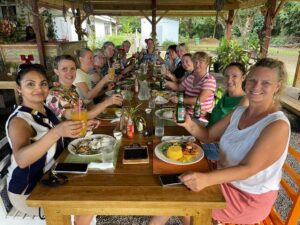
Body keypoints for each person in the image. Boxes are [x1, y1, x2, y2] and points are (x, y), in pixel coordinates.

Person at [149, 58, 290, 225]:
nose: (256, 86)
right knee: (171, 182)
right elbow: (208, 136)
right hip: (223, 178)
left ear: (277, 86)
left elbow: (248, 169)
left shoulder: (277, 125)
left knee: (175, 196)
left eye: (265, 82)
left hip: (247, 196)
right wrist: (187, 122)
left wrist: (206, 180)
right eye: (252, 80)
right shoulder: (239, 111)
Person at [5, 63, 95, 225]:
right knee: (88, 202)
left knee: (94, 184)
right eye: (30, 84)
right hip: (30, 190)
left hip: (53, 175)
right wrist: (56, 132)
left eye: (43, 83)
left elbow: (61, 137)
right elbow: (22, 159)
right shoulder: (19, 121)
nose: (38, 89)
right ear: (19, 88)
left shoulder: (46, 109)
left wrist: (79, 127)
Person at [46, 55, 123, 121]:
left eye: (72, 69)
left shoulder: (71, 90)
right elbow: (79, 116)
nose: (69, 72)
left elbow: (86, 110)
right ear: (56, 71)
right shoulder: (53, 95)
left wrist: (107, 102)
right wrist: (106, 103)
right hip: (70, 137)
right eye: (64, 69)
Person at [202, 62, 249, 161]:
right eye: (226, 76)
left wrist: (203, 140)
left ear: (243, 78)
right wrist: (206, 115)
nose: (229, 80)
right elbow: (218, 119)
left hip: (220, 148)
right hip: (207, 136)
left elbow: (235, 135)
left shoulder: (244, 101)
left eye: (234, 76)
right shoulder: (226, 94)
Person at [168, 51, 216, 123]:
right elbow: (179, 87)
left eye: (200, 62)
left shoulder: (209, 80)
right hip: (186, 113)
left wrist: (180, 100)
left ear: (206, 64)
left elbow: (200, 100)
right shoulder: (191, 77)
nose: (197, 65)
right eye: (195, 62)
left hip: (200, 118)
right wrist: (166, 83)